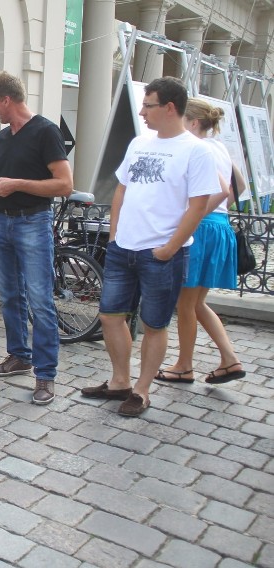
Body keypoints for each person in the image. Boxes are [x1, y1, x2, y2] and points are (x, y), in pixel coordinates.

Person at [81, 77, 221, 417]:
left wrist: (170, 248)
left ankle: (142, 391)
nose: (142, 112)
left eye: (148, 105)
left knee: (154, 323)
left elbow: (198, 205)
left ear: (169, 108)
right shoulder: (138, 144)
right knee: (110, 315)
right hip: (123, 248)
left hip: (161, 254)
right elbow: (121, 189)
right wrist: (114, 234)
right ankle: (119, 382)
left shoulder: (197, 150)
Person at [0, 71, 73, 405]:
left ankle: (45, 376)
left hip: (33, 222)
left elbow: (64, 184)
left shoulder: (46, 132)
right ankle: (19, 356)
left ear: (6, 100)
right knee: (11, 295)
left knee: (41, 301)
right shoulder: (2, 138)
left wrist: (17, 184)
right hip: (2, 223)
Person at [157, 98, 245, 385]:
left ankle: (184, 365)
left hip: (203, 228)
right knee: (196, 303)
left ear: (193, 122)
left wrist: (191, 219)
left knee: (186, 304)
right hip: (219, 227)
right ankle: (230, 359)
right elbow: (237, 187)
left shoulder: (197, 148)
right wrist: (217, 211)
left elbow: (221, 189)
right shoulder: (218, 146)